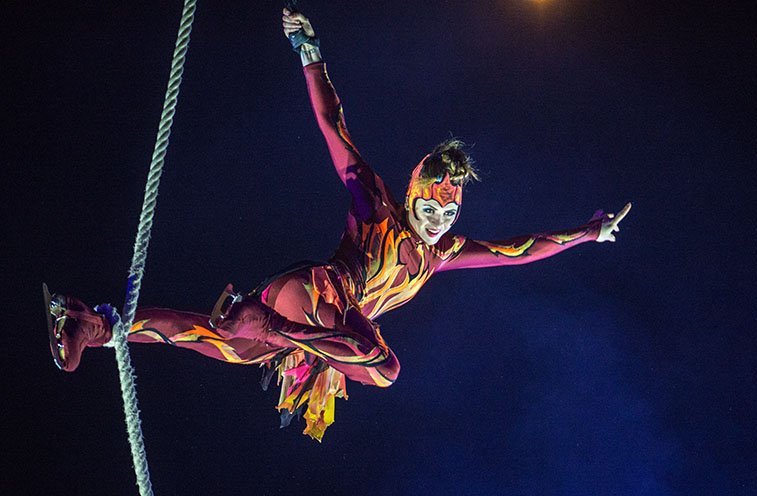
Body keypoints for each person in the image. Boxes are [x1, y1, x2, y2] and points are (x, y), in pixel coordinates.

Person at [45, 8, 632, 441]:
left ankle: (88, 326)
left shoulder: (444, 252)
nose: (438, 220)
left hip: (316, 323)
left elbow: (518, 251)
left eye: (449, 212)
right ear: (413, 195)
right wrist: (310, 52)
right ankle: (265, 326)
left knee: (212, 339)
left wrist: (587, 231)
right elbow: (334, 127)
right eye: (431, 207)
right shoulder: (376, 205)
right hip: (317, 297)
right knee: (385, 369)